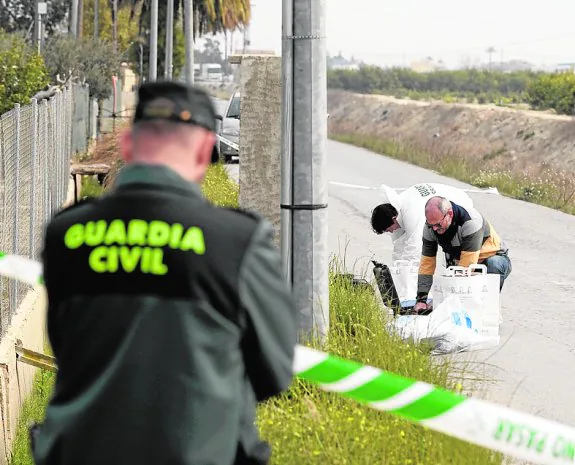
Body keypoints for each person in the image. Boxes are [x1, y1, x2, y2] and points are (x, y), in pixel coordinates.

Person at [33, 81, 298, 465]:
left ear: (127, 146)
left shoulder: (66, 233)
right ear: (207, 151)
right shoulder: (236, 242)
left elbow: (65, 343)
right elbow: (274, 372)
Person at [413, 196, 512, 314]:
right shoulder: (430, 228)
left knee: (493, 264)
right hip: (462, 262)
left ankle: (487, 311)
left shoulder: (471, 222)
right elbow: (427, 263)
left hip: (491, 260)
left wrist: (444, 301)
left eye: (438, 225)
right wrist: (421, 299)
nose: (434, 229)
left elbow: (466, 268)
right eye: (431, 225)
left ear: (449, 213)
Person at [370, 182, 474, 264]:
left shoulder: (410, 212)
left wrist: (406, 276)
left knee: (456, 251)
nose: (391, 231)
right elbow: (399, 247)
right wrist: (396, 272)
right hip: (437, 210)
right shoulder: (396, 209)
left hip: (458, 203)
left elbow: (414, 250)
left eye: (389, 229)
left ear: (394, 218)